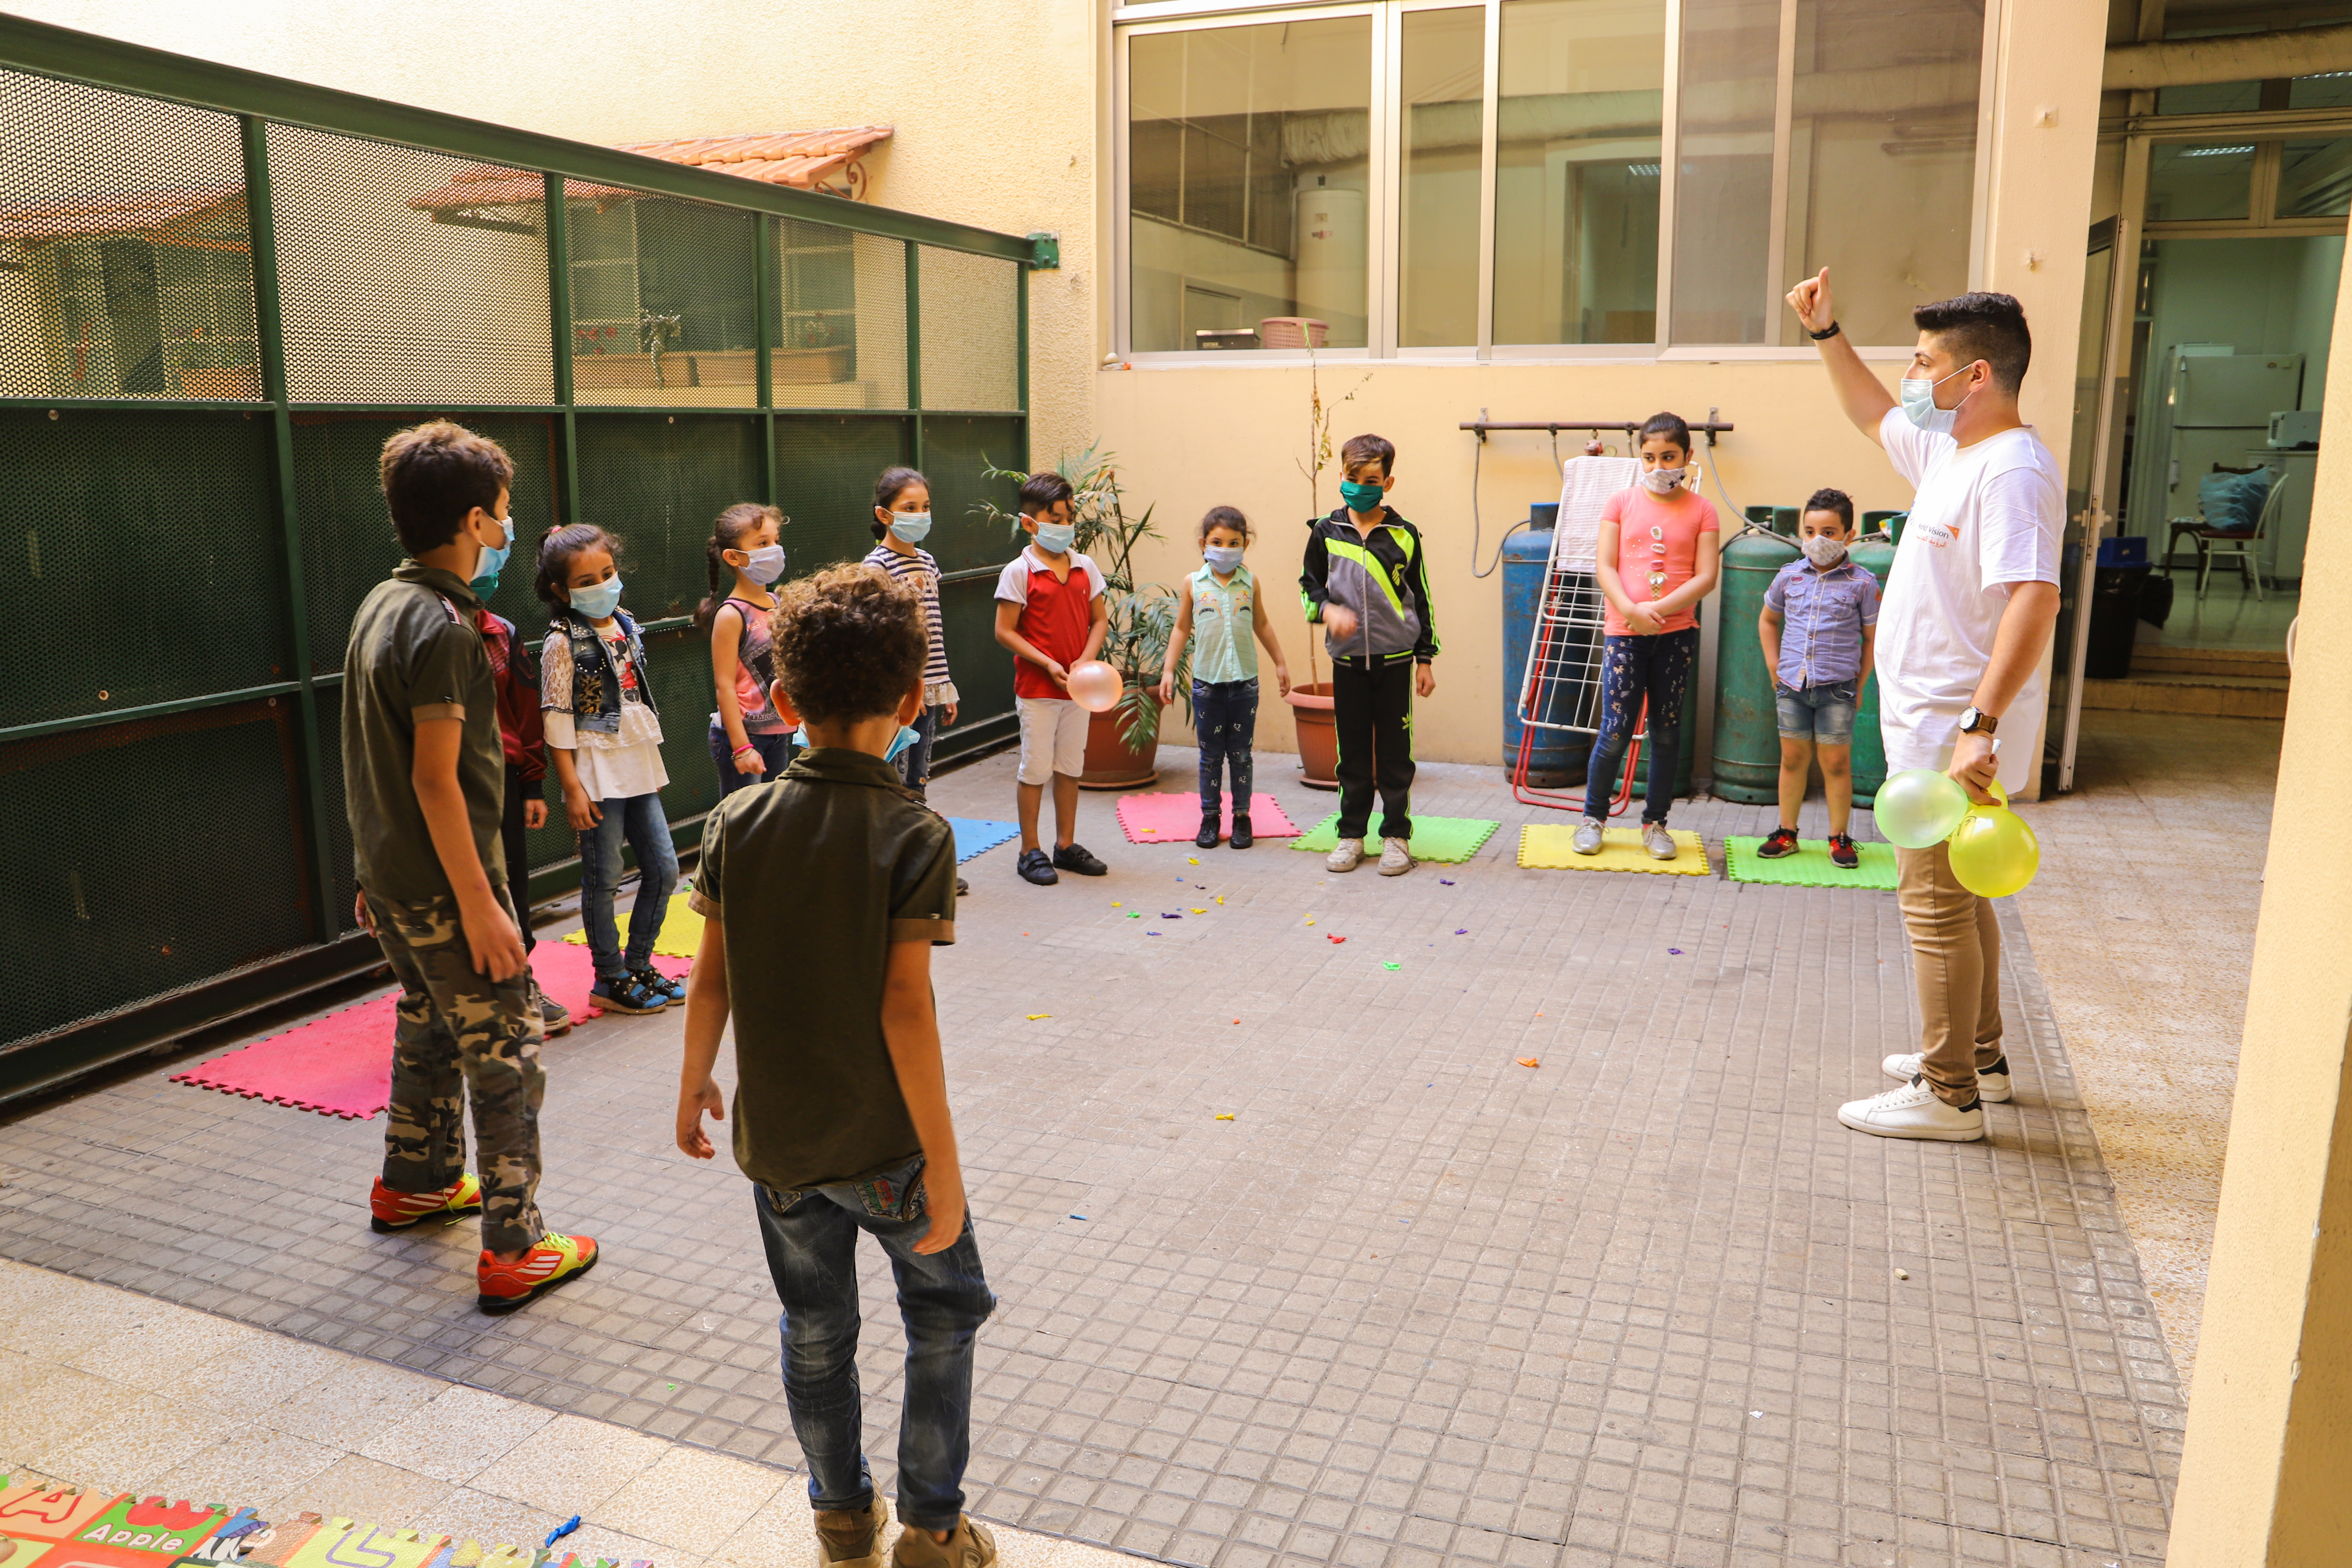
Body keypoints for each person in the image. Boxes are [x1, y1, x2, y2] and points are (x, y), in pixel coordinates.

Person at [676, 564, 997, 1568]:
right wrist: (942, 1163)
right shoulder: (913, 831)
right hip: (888, 1150)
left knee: (815, 1327)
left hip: (778, 1149)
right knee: (943, 1311)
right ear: (910, 703)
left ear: (781, 701)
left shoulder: (736, 821)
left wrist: (692, 1083)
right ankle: (932, 1530)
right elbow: (905, 1008)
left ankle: (839, 1518)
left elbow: (709, 980)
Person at [1788, 270, 2062, 1143]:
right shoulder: (1952, 449)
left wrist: (1978, 727)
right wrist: (1827, 331)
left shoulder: (2012, 471)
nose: (1913, 376)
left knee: (1935, 901)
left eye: (1924, 363)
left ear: (1974, 376)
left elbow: (2033, 599)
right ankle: (1980, 1056)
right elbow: (1873, 412)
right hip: (1931, 722)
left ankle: (1949, 1096)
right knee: (1965, 887)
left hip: (1953, 728)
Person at [342, 420, 595, 1314]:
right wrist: (487, 905)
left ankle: (415, 1180)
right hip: (449, 887)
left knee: (428, 1020)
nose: (509, 529)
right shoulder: (449, 629)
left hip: (395, 880)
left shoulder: (381, 603)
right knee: (507, 1052)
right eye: (505, 515)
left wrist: (371, 873)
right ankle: (516, 1246)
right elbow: (434, 781)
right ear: (478, 520)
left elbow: (366, 758)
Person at [538, 524, 682, 1018]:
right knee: (605, 876)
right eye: (586, 580)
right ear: (561, 590)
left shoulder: (625, 621)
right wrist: (571, 787)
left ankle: (640, 962)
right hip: (594, 768)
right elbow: (555, 716)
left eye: (608, 572)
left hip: (635, 757)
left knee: (664, 867)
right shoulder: (561, 641)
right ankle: (609, 974)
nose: (602, 585)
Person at [1571, 412, 1720, 861]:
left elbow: (1707, 575)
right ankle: (1593, 817)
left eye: (1669, 457)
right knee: (1615, 729)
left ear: (1687, 457)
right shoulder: (1620, 502)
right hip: (1624, 633)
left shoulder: (1703, 509)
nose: (1659, 466)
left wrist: (1657, 610)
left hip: (1675, 636)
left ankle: (1656, 824)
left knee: (1667, 732)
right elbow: (1606, 565)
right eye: (1650, 457)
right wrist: (1632, 612)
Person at [1300, 433, 1438, 877]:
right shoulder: (1325, 531)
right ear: (1341, 476)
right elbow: (1309, 588)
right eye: (1352, 478)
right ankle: (1351, 836)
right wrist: (1327, 611)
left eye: (1371, 479)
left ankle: (1396, 837)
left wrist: (1425, 658)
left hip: (1396, 663)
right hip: (1347, 664)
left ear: (1388, 482)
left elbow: (1421, 598)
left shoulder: (1404, 535)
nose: (1360, 485)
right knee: (1353, 755)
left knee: (1396, 754)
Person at [991, 471, 1110, 886]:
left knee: (1070, 767)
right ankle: (1030, 850)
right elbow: (1005, 631)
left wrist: (1085, 662)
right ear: (1030, 523)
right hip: (1038, 692)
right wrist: (1048, 663)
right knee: (1036, 768)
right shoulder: (1019, 572)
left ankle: (1066, 845)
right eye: (1054, 517)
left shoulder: (1086, 567)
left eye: (1069, 516)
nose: (1065, 525)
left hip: (1079, 692)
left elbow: (1100, 620)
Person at [1757, 487, 1880, 870]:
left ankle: (1839, 837)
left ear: (1849, 532)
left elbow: (1873, 639)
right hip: (1792, 687)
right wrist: (1774, 666)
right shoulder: (1789, 577)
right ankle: (1787, 832)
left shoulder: (1863, 583)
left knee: (1836, 763)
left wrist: (1859, 688)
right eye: (1810, 531)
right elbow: (1768, 620)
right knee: (1792, 758)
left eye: (1829, 532)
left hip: (1838, 688)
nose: (1817, 540)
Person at [1156, 505, 1291, 849]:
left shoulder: (1251, 581)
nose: (1226, 549)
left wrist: (1280, 663)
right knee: (1210, 756)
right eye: (1218, 542)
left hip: (1244, 684)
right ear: (1204, 543)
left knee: (1241, 755)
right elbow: (1182, 628)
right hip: (1207, 686)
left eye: (1235, 543)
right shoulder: (1193, 582)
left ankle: (1242, 817)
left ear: (1245, 544)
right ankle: (1210, 817)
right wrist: (1169, 670)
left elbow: (1262, 624)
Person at [472, 584, 570, 1040]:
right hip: (446, 783)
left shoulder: (500, 632)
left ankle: (520, 980)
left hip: (503, 779)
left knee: (512, 882)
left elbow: (524, 711)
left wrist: (533, 782)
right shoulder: (418, 624)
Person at [700, 502, 792, 799]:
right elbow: (724, 686)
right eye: (763, 543)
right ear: (733, 557)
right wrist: (741, 749)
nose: (774, 549)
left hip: (778, 733)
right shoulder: (731, 615)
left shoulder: (777, 602)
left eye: (776, 541)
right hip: (745, 737)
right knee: (745, 824)